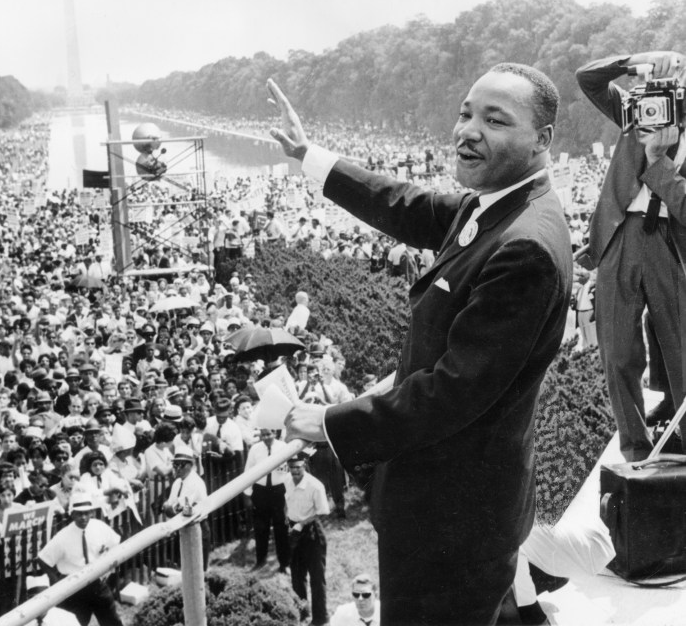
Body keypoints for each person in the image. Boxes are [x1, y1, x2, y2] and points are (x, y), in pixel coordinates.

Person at [271, 61, 572, 626]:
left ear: (542, 139)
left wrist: (331, 422)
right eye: (465, 113)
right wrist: (309, 155)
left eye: (495, 120)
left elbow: (453, 392)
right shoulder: (495, 205)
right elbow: (404, 205)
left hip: (453, 522)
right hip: (454, 503)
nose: (469, 131)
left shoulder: (524, 246)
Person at [575, 51, 686, 461]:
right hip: (619, 235)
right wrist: (637, 61)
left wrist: (657, 161)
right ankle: (635, 448)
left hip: (669, 243)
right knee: (618, 351)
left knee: (682, 349)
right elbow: (587, 78)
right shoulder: (637, 108)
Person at [37, 491, 123, 626]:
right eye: (79, 514)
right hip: (74, 589)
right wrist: (56, 582)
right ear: (72, 514)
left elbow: (115, 545)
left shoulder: (99, 527)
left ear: (92, 513)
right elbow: (43, 559)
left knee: (112, 621)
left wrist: (108, 569)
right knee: (74, 623)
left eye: (86, 513)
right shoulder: (63, 537)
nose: (83, 517)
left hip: (97, 583)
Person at [283, 452, 329, 626]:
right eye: (291, 467)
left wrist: (302, 523)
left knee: (316, 577)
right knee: (297, 576)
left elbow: (322, 512)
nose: (294, 471)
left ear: (305, 465)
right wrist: (287, 517)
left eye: (298, 467)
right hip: (294, 532)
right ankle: (302, 614)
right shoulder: (287, 481)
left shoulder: (315, 486)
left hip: (312, 532)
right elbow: (287, 500)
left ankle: (320, 619)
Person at [243, 428, 290, 572]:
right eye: (263, 435)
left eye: (269, 434)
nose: (266, 437)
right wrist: (247, 494)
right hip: (260, 492)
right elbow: (248, 471)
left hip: (279, 491)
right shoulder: (255, 449)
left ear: (275, 433)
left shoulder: (284, 447)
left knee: (281, 528)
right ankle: (260, 560)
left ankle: (284, 564)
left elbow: (289, 472)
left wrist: (289, 495)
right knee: (260, 528)